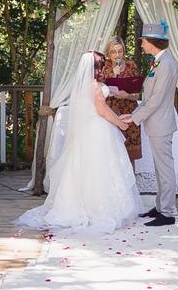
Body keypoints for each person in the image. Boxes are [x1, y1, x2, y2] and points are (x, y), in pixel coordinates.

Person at [17, 52, 143, 233]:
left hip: (87, 130)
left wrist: (116, 115)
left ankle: (81, 202)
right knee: (100, 168)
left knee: (84, 167)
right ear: (98, 67)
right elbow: (102, 111)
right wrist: (121, 124)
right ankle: (99, 207)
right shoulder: (95, 85)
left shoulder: (84, 85)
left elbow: (100, 107)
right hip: (99, 129)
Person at [134, 19, 178, 227]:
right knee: (160, 168)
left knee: (165, 168)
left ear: (152, 42)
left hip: (160, 124)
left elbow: (156, 100)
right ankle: (160, 207)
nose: (141, 44)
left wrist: (134, 118)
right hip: (156, 123)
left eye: (143, 40)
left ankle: (168, 212)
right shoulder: (159, 60)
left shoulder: (166, 64)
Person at [101, 37, 145, 161]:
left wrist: (126, 95)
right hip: (111, 113)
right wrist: (115, 74)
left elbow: (137, 94)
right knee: (112, 153)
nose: (117, 55)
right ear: (108, 53)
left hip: (129, 112)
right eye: (113, 52)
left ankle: (131, 180)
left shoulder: (131, 65)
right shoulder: (104, 66)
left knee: (130, 154)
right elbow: (99, 92)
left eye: (120, 51)